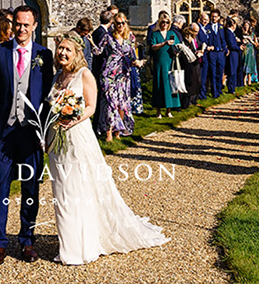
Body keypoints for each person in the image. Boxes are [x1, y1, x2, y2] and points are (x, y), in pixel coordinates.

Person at [48, 32, 169, 264]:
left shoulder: (84, 75)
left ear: (77, 53)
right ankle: (68, 244)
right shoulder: (57, 77)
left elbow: (92, 107)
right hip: (57, 141)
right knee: (62, 193)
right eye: (60, 48)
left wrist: (73, 119)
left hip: (77, 139)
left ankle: (83, 247)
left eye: (67, 50)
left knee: (79, 191)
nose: (62, 53)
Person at [0, 5, 54, 264]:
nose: (20, 29)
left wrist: (48, 131)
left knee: (31, 188)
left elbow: (48, 97)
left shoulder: (45, 55)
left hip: (32, 135)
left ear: (34, 26)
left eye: (25, 24)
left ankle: (27, 241)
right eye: (17, 24)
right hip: (2, 131)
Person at [95, 12, 142, 142]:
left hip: (124, 74)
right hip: (109, 74)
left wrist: (138, 62)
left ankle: (118, 131)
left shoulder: (130, 37)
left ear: (126, 23)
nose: (120, 25)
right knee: (110, 103)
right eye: (117, 23)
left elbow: (133, 56)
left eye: (122, 23)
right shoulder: (108, 36)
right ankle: (108, 132)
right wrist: (88, 43)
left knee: (122, 104)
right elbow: (98, 52)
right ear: (114, 24)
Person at [147, 11, 179, 117]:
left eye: (167, 22)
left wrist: (177, 50)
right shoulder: (155, 34)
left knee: (170, 85)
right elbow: (153, 47)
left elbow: (177, 45)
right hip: (159, 62)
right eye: (162, 22)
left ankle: (169, 110)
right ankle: (158, 111)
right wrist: (164, 43)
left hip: (170, 61)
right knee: (159, 85)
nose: (164, 24)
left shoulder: (172, 34)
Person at [199, 9, 228, 99]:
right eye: (212, 16)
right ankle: (214, 92)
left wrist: (225, 49)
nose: (214, 18)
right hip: (211, 53)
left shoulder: (221, 27)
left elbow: (223, 39)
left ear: (219, 17)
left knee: (220, 72)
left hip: (220, 53)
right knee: (213, 73)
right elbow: (205, 39)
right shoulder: (207, 27)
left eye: (216, 16)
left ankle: (219, 90)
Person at [178, 24, 202, 109]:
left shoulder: (189, 43)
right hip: (187, 66)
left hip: (192, 65)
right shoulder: (185, 44)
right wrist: (197, 55)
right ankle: (185, 104)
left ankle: (190, 102)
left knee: (193, 85)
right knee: (188, 85)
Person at [224, 10, 242, 94]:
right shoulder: (228, 32)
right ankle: (231, 88)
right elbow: (231, 45)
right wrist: (239, 47)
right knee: (232, 71)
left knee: (234, 70)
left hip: (235, 54)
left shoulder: (231, 33)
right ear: (233, 25)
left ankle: (233, 87)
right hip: (232, 54)